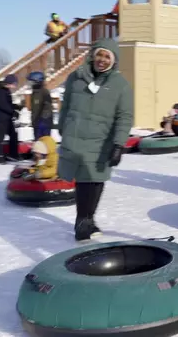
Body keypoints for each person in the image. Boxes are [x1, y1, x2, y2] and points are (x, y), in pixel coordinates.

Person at [58, 38, 133, 241]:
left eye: (107, 56)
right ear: (92, 55)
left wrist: (119, 144)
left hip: (101, 141)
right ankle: (82, 222)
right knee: (83, 180)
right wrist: (62, 126)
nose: (102, 60)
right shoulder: (76, 77)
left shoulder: (121, 85)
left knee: (97, 180)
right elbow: (65, 105)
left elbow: (125, 117)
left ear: (114, 60)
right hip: (76, 137)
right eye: (99, 54)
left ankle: (88, 219)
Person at [0, 74, 21, 164]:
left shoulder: (6, 90)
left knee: (13, 135)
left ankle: (13, 154)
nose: (15, 86)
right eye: (14, 84)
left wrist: (15, 106)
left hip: (7, 117)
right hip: (1, 118)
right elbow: (2, 105)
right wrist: (13, 111)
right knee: (1, 137)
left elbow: (7, 103)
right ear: (9, 83)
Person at [28, 71, 54, 140]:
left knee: (43, 144)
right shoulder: (35, 92)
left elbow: (46, 107)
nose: (30, 84)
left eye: (32, 81)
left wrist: (41, 121)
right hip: (37, 123)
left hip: (43, 123)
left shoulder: (43, 92)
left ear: (37, 81)